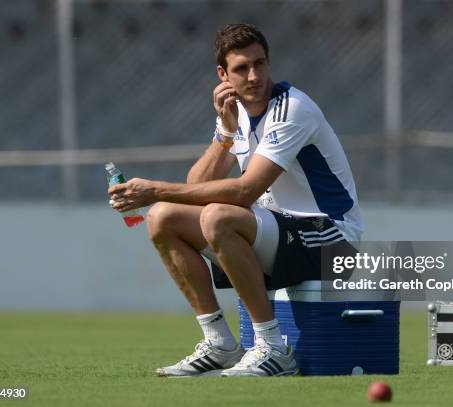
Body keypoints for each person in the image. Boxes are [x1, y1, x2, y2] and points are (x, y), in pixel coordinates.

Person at [108, 23, 364, 377]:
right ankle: (220, 344)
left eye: (260, 64)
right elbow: (198, 184)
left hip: (333, 240)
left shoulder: (292, 109)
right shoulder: (238, 112)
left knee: (216, 216)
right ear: (223, 74)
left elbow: (246, 191)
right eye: (242, 68)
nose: (254, 75)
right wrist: (225, 132)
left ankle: (273, 348)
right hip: (281, 234)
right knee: (162, 217)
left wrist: (154, 188)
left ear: (270, 62)